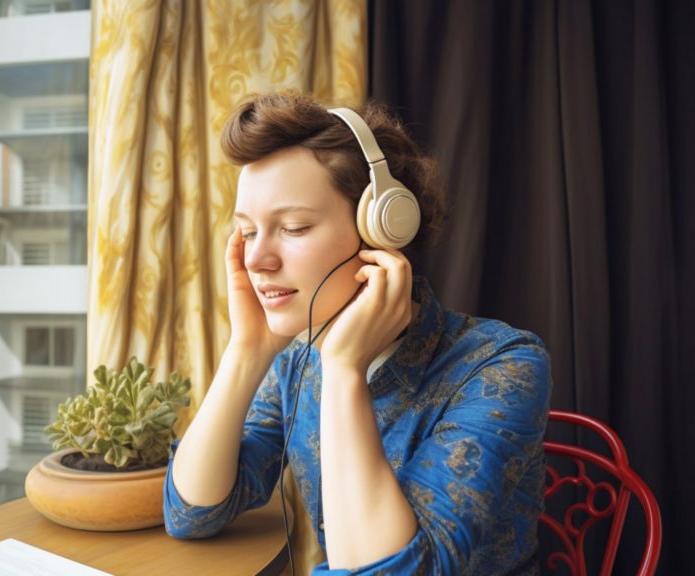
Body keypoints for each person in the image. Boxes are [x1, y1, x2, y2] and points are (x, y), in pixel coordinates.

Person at [164, 91, 552, 575]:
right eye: (246, 232)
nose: (257, 260)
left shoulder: (503, 364)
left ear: (380, 230)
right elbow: (192, 514)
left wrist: (344, 371)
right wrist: (246, 351)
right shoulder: (295, 361)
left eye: (294, 227)